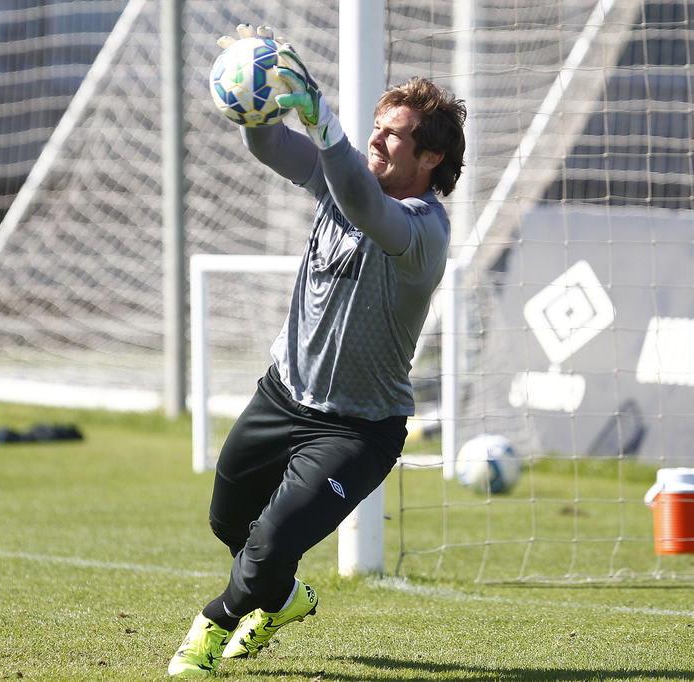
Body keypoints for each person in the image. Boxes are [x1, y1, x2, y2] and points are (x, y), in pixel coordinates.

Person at [168, 24, 467, 678]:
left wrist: (319, 113)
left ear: (431, 159)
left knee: (271, 543)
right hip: (283, 396)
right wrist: (258, 94)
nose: (377, 139)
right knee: (232, 525)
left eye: (395, 134)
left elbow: (363, 204)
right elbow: (270, 144)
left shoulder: (425, 229)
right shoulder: (345, 177)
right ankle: (283, 600)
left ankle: (211, 631)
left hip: (359, 429)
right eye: (376, 126)